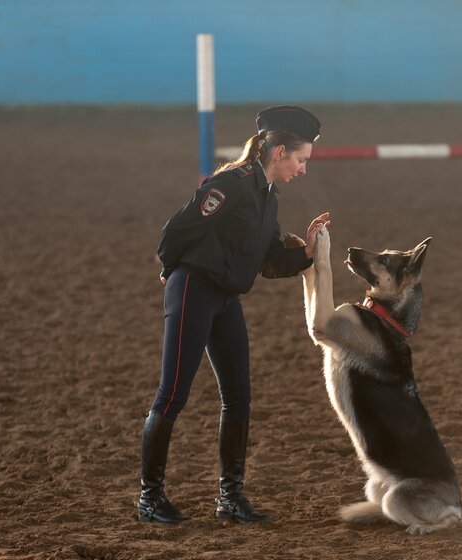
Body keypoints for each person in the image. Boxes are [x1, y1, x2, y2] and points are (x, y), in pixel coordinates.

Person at [137, 105, 330, 524]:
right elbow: (177, 230)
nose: (303, 169)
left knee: (239, 397)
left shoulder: (268, 198)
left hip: (224, 297)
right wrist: (170, 272)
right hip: (193, 289)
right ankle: (149, 499)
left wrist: (307, 251)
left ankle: (230, 497)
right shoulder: (232, 183)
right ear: (279, 152)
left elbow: (268, 261)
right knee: (172, 395)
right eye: (301, 160)